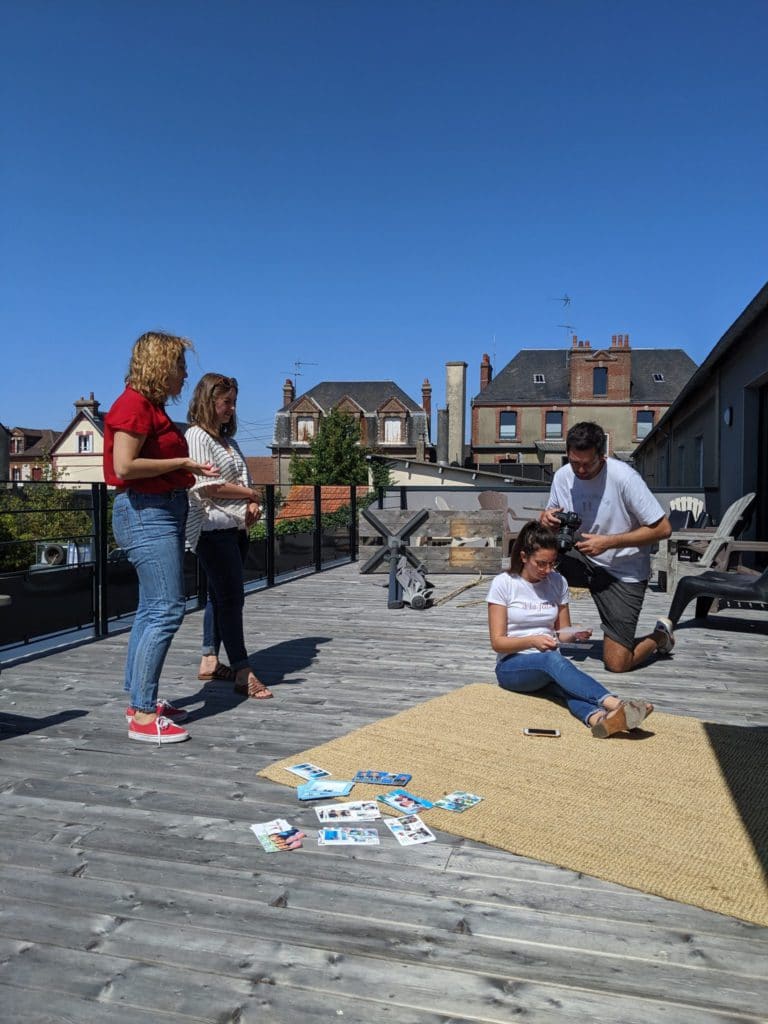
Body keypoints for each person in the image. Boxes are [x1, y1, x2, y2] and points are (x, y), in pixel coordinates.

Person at [104, 331, 218, 745]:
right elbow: (126, 465)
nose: (185, 375)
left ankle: (139, 701)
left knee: (150, 608)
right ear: (161, 366)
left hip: (158, 508)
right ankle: (143, 715)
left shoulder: (147, 406)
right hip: (146, 511)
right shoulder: (133, 405)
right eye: (181, 367)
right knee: (168, 608)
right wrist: (183, 461)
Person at [487, 521, 653, 737]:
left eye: (552, 563)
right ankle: (616, 704)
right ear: (523, 556)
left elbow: (562, 633)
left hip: (549, 662)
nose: (547, 570)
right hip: (512, 666)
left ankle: (600, 720)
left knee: (567, 688)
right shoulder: (504, 583)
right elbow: (497, 642)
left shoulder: (558, 581)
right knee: (552, 660)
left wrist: (575, 634)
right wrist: (533, 641)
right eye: (541, 563)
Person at [539, 421, 674, 673]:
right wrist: (546, 519)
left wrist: (610, 541)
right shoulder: (562, 476)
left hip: (623, 572)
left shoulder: (624, 478)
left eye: (587, 464)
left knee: (617, 663)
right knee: (533, 556)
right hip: (582, 557)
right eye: (573, 462)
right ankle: (537, 632)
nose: (579, 470)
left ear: (602, 456)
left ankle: (660, 637)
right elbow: (553, 520)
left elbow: (663, 529)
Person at [185, 373, 273, 699]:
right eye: (227, 402)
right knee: (232, 598)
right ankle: (242, 670)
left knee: (218, 596)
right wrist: (250, 493)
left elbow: (244, 484)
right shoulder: (197, 436)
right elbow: (206, 486)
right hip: (211, 529)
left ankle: (210, 659)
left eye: (234, 403)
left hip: (233, 528)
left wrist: (252, 503)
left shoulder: (229, 443)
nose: (232, 409)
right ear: (209, 401)